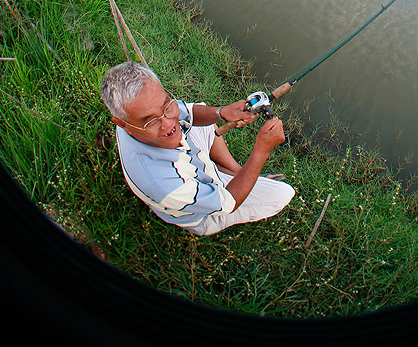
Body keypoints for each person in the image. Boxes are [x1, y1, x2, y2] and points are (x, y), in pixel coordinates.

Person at [100, 60, 295, 236]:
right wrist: (261, 151)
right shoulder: (164, 183)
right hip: (203, 213)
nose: (168, 124)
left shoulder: (135, 117)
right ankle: (231, 177)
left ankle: (236, 172)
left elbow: (190, 112)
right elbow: (229, 203)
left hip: (189, 163)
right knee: (283, 194)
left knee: (202, 115)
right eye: (150, 121)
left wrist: (222, 113)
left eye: (167, 106)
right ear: (121, 123)